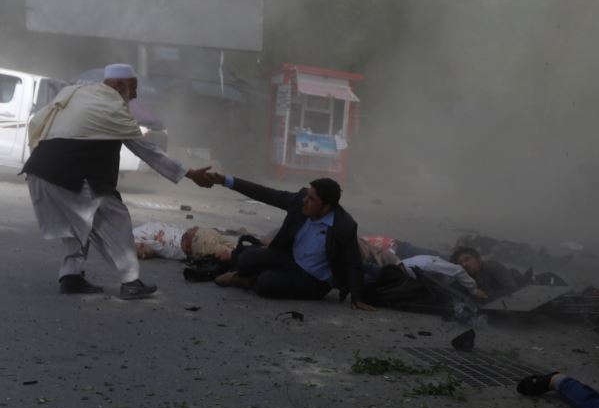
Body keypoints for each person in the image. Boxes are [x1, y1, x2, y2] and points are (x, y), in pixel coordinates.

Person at [20, 63, 211, 299]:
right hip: (71, 175)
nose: (135, 95)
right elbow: (148, 151)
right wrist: (190, 174)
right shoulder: (112, 107)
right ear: (120, 85)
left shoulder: (80, 94)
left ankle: (71, 277)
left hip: (40, 171)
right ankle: (131, 283)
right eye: (134, 88)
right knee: (116, 221)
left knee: (78, 225)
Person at [201, 172, 374, 308]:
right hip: (289, 258)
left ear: (326, 206)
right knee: (246, 258)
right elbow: (265, 194)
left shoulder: (344, 226)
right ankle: (248, 274)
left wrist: (357, 298)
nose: (305, 201)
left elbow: (353, 261)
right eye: (307, 195)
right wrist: (226, 181)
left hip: (314, 279)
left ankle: (244, 280)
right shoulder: (300, 202)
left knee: (266, 283)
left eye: (311, 199)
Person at [133, 222, 246, 262]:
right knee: (238, 249)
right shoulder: (145, 229)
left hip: (196, 243)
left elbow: (144, 250)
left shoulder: (135, 237)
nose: (143, 256)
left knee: (235, 257)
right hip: (199, 236)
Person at [451, 246, 523, 299]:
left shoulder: (493, 268)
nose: (464, 264)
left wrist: (486, 296)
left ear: (478, 259)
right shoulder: (464, 279)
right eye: (460, 263)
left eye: (467, 259)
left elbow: (512, 289)